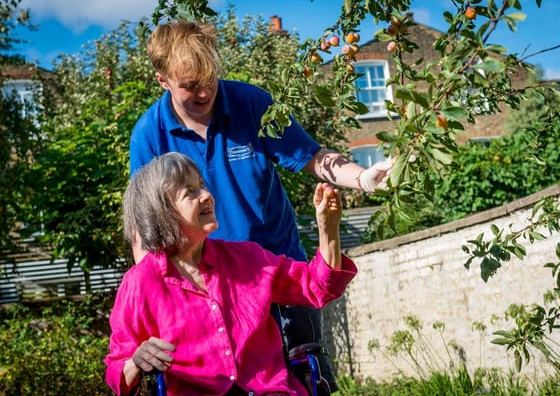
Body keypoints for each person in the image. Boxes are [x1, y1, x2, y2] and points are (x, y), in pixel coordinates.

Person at [129, 20, 391, 392]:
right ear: (163, 80)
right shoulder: (148, 135)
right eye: (189, 86)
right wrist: (154, 295)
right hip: (210, 289)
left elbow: (312, 156)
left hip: (281, 271)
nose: (204, 93)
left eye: (209, 79)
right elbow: (146, 229)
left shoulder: (251, 104)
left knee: (306, 377)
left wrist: (364, 178)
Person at [105, 152, 357, 395]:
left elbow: (317, 287)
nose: (206, 196)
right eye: (189, 192)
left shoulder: (248, 258)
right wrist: (136, 362)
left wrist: (328, 228)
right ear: (162, 212)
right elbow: (117, 371)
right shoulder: (141, 282)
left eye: (202, 186)